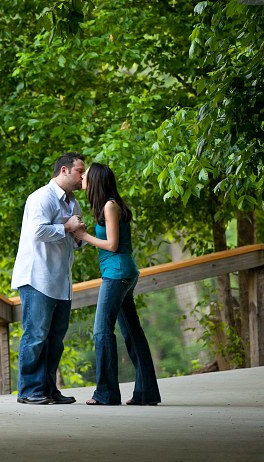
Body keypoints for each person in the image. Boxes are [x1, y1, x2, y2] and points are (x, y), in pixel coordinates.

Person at [73, 162, 161, 406]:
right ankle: (146, 393)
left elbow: (112, 244)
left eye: (86, 176)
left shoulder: (110, 206)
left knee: (102, 331)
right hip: (122, 273)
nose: (82, 180)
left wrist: (83, 236)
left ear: (97, 180)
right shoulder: (108, 206)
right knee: (133, 333)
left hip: (117, 275)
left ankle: (106, 393)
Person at [11, 152, 86, 405]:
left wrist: (77, 237)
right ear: (64, 171)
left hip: (60, 281)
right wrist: (67, 227)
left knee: (55, 339)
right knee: (35, 336)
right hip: (37, 278)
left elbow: (73, 241)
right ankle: (29, 391)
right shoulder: (40, 197)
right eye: (79, 171)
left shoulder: (73, 203)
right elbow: (38, 231)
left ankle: (48, 390)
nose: (82, 177)